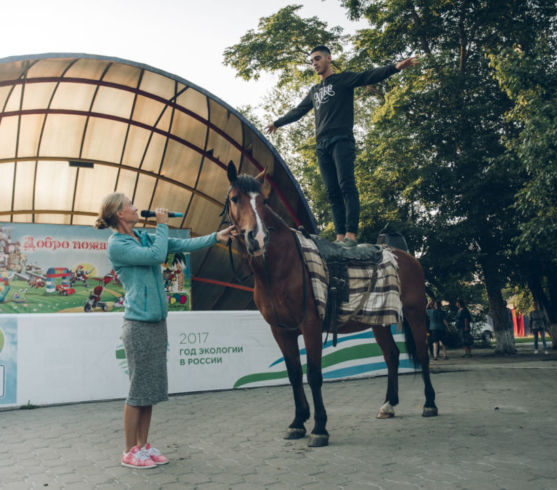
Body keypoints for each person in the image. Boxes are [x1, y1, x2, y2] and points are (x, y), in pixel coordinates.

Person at [95, 193, 235, 469]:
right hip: (138, 325)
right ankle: (128, 451)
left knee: (151, 390)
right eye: (130, 205)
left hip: (157, 323)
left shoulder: (143, 237)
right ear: (120, 214)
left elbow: (182, 244)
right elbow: (157, 256)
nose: (136, 207)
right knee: (138, 390)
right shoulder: (117, 244)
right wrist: (161, 224)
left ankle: (142, 446)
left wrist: (215, 237)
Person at [266, 46, 418, 247]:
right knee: (332, 191)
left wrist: (395, 67)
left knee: (346, 184)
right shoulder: (314, 91)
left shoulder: (343, 80)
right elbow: (299, 111)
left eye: (317, 59)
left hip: (341, 139)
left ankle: (351, 234)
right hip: (322, 145)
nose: (315, 64)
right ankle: (339, 237)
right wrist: (277, 123)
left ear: (329, 59)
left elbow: (368, 76)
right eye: (312, 61)